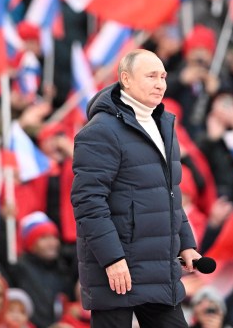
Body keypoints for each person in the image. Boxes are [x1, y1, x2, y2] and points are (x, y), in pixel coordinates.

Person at [71, 49, 202, 327]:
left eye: (164, 76)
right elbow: (88, 201)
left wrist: (187, 243)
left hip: (159, 269)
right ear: (126, 80)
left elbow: (169, 195)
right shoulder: (100, 131)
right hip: (117, 272)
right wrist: (112, 259)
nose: (160, 83)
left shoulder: (165, 124)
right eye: (151, 76)